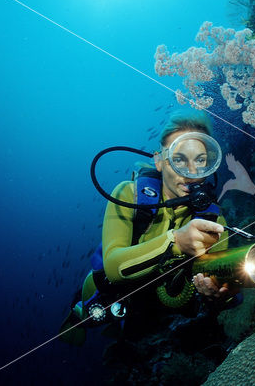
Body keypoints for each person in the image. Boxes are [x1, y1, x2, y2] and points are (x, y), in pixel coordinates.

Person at [60, 110, 236, 345]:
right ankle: (78, 316)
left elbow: (215, 282)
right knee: (91, 320)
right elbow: (113, 266)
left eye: (200, 160)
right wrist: (175, 242)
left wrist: (218, 294)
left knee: (134, 334)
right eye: (179, 159)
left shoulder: (214, 222)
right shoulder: (129, 194)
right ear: (160, 161)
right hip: (108, 293)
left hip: (157, 308)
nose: (191, 172)